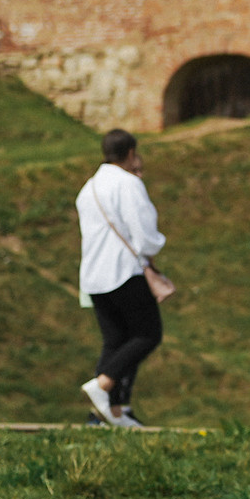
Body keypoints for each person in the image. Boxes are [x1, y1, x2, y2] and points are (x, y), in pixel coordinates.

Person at [74, 128, 171, 427]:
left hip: (93, 275)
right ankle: (102, 384)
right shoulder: (128, 183)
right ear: (131, 153)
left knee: (115, 341)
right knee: (147, 334)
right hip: (123, 271)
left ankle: (109, 415)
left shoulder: (88, 188)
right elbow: (144, 232)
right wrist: (154, 247)